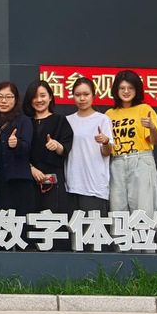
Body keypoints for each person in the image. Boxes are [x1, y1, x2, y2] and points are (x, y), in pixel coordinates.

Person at [106, 70, 157, 214]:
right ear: (116, 90)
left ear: (137, 89)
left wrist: (152, 127)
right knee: (117, 212)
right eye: (122, 88)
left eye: (130, 88)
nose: (126, 91)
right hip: (116, 162)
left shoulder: (144, 109)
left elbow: (155, 140)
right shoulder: (109, 114)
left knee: (143, 211)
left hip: (140, 160)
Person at [22, 80, 74, 213]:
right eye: (34, 96)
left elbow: (65, 149)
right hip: (29, 178)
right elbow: (19, 152)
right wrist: (31, 168)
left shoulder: (60, 120)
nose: (39, 100)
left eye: (43, 95)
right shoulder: (24, 122)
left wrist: (57, 145)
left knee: (54, 218)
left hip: (53, 179)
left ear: (50, 97)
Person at [0, 81, 34, 215]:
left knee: (18, 221)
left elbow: (27, 148)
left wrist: (16, 144)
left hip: (17, 181)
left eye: (9, 97)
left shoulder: (23, 121)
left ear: (16, 99)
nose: (4, 101)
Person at [65, 77, 113, 215]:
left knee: (93, 228)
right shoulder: (67, 120)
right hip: (72, 185)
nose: (82, 98)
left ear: (93, 95)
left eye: (86, 94)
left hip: (94, 186)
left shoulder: (102, 119)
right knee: (73, 227)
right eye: (78, 95)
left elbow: (107, 151)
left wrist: (105, 141)